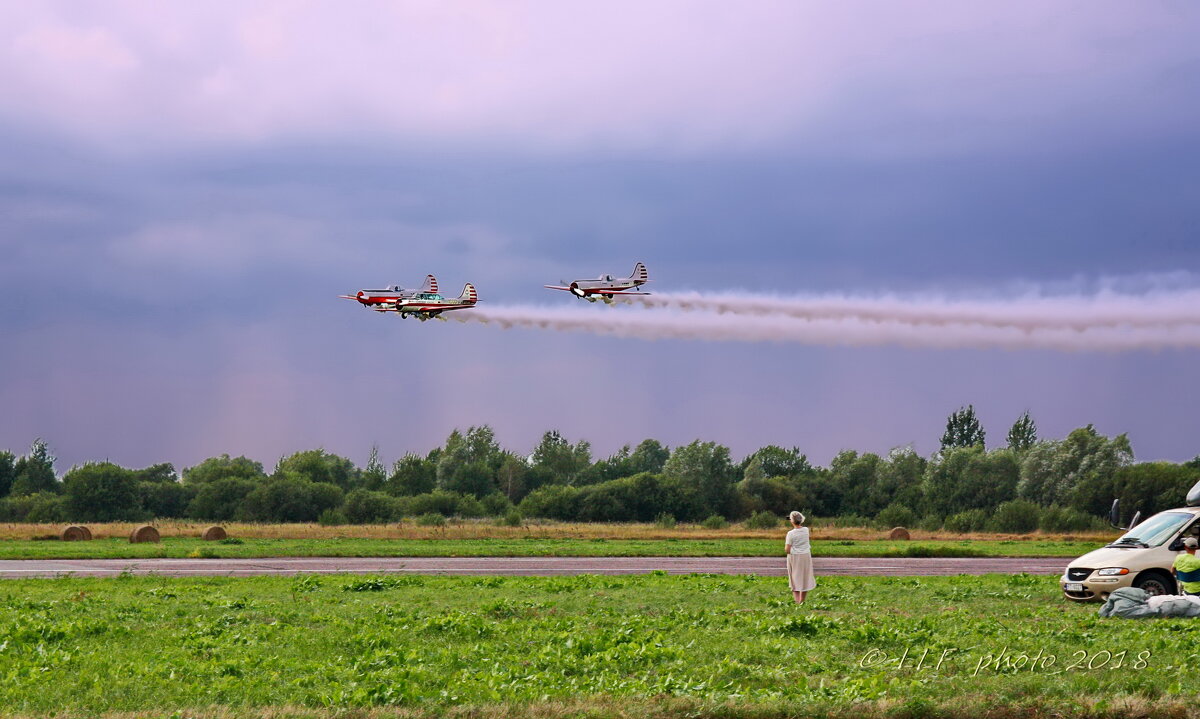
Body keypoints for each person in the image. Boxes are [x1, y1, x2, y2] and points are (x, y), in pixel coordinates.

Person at [785, 510, 816, 604]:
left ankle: (797, 601)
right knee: (804, 577)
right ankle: (802, 600)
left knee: (794, 578)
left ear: (792, 521)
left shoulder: (790, 533)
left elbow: (787, 549)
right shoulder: (806, 530)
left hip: (795, 557)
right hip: (806, 555)